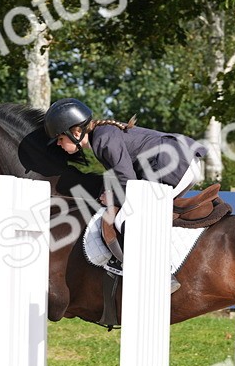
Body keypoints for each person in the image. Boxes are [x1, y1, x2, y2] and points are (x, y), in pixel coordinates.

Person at [44, 98, 207, 290]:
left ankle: (162, 272)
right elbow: (123, 175)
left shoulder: (103, 140)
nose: (58, 144)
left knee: (123, 218)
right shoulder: (102, 137)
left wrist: (112, 197)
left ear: (76, 132)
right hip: (179, 160)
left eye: (60, 139)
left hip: (174, 164)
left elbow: (128, 179)